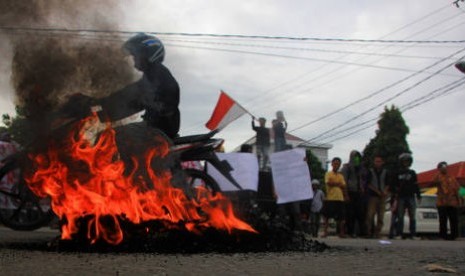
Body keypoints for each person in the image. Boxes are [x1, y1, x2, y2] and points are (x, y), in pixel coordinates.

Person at [99, 33, 180, 139]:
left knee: (111, 137)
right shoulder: (157, 74)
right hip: (157, 129)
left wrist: (100, 105)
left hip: (157, 133)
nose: (134, 60)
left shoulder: (156, 75)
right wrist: (101, 106)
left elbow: (130, 98)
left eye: (136, 55)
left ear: (148, 55)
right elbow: (130, 98)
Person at [394, 153, 421, 239]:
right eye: (404, 161)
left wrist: (418, 195)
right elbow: (394, 185)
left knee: (412, 216)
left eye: (408, 161)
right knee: (400, 216)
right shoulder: (397, 173)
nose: (406, 163)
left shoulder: (412, 173)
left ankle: (413, 234)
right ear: (401, 162)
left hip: (411, 196)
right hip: (401, 196)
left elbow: (416, 185)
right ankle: (399, 234)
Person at [364, 155, 390, 238]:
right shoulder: (370, 171)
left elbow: (388, 183)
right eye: (376, 161)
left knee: (381, 215)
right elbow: (368, 184)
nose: (377, 163)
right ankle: (368, 232)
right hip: (373, 196)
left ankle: (377, 232)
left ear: (382, 162)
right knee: (370, 215)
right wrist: (377, 191)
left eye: (379, 161)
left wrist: (385, 191)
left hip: (382, 196)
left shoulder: (385, 172)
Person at [341, 150, 366, 237]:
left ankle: (361, 232)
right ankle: (350, 232)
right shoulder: (346, 167)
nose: (357, 159)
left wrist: (362, 188)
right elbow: (344, 182)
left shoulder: (360, 168)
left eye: (358, 157)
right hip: (350, 192)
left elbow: (362, 180)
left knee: (360, 213)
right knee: (350, 213)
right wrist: (346, 194)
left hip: (358, 193)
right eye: (355, 157)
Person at [434, 161, 461, 240]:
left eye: (445, 166)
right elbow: (432, 183)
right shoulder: (437, 177)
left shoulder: (451, 177)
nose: (444, 168)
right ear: (439, 168)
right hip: (442, 202)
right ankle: (443, 235)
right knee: (443, 220)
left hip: (452, 202)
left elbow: (457, 189)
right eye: (442, 167)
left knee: (454, 219)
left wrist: (459, 200)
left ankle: (454, 235)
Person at [322, 157, 346, 238]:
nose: (336, 165)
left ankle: (341, 233)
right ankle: (325, 232)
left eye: (338, 164)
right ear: (332, 164)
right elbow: (329, 183)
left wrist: (336, 183)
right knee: (326, 217)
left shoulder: (341, 175)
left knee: (341, 217)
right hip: (330, 198)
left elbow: (343, 186)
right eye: (335, 163)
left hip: (340, 198)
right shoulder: (328, 173)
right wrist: (338, 184)